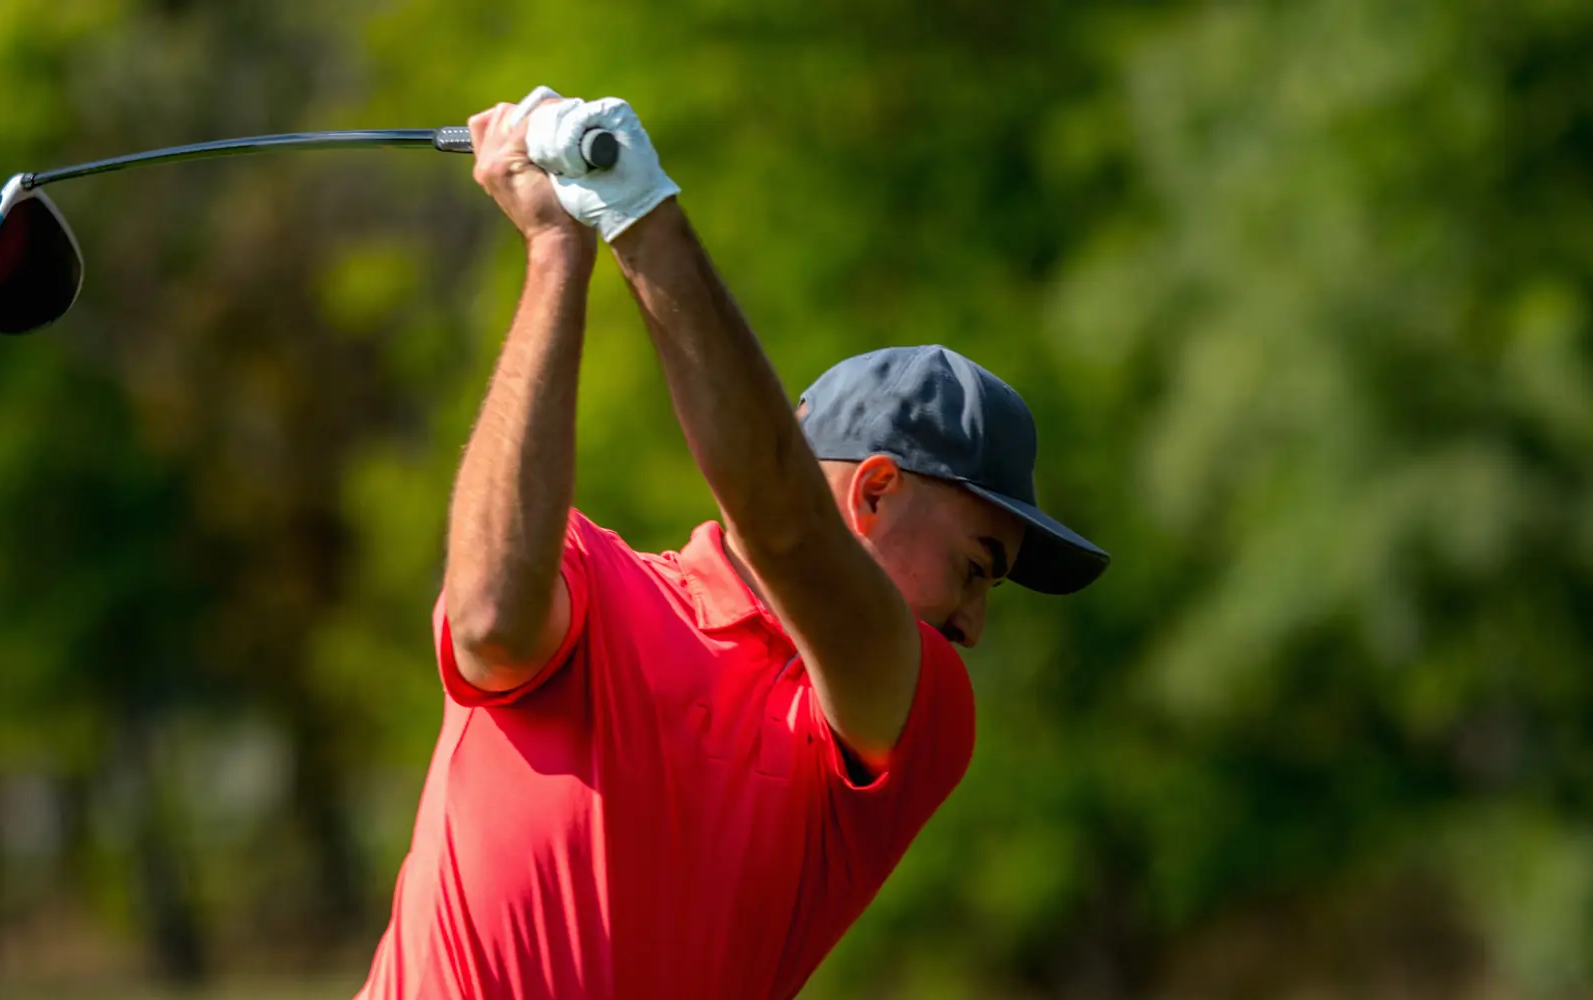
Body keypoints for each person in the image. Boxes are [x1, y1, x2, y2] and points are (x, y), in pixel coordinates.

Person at [355, 88, 1108, 999]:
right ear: (873, 492)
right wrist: (557, 253)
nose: (976, 625)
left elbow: (786, 529)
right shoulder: (591, 580)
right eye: (977, 567)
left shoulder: (915, 716)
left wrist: (641, 216)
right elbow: (487, 622)